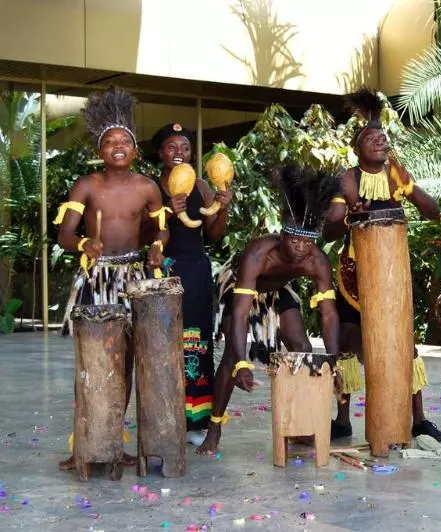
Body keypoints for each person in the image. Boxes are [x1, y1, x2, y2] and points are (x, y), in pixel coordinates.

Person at [56, 87, 169, 471]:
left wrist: (156, 248)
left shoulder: (148, 188)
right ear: (100, 150)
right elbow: (64, 235)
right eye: (110, 142)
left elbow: (161, 231)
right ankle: (85, 443)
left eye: (124, 141)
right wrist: (84, 243)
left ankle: (115, 442)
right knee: (92, 363)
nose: (117, 146)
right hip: (98, 280)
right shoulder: (87, 185)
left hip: (134, 277)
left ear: (135, 150)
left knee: (125, 364)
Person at [324, 88, 441, 442]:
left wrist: (407, 184)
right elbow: (330, 228)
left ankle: (418, 418)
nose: (380, 141)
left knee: (404, 342)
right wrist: (348, 211)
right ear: (358, 147)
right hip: (353, 273)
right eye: (371, 138)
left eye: (383, 137)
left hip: (392, 274)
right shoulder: (346, 178)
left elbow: (433, 211)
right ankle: (342, 419)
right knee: (347, 341)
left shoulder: (396, 174)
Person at [196, 163, 341, 454]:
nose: (301, 248)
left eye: (307, 241)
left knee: (302, 348)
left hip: (278, 290)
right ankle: (214, 428)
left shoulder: (317, 262)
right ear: (282, 235)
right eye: (295, 240)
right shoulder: (259, 254)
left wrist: (336, 360)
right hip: (240, 289)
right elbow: (239, 313)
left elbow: (328, 314)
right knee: (230, 361)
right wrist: (241, 363)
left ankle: (300, 426)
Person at [148, 124, 233, 446]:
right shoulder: (152, 186)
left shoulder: (199, 184)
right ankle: (165, 416)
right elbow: (144, 232)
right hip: (163, 271)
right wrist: (169, 212)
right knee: (164, 343)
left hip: (196, 270)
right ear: (161, 153)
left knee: (197, 342)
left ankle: (196, 421)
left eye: (184, 147)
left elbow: (214, 234)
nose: (179, 152)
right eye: (171, 147)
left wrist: (222, 206)